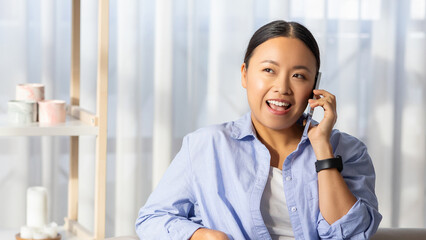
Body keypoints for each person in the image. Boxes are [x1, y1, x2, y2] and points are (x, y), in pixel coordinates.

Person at [135, 20, 382, 240]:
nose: (282, 87)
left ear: (314, 86)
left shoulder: (348, 151)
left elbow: (350, 234)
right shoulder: (205, 145)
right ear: (245, 74)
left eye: (298, 75)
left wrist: (322, 148)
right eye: (268, 70)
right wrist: (203, 235)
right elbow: (152, 219)